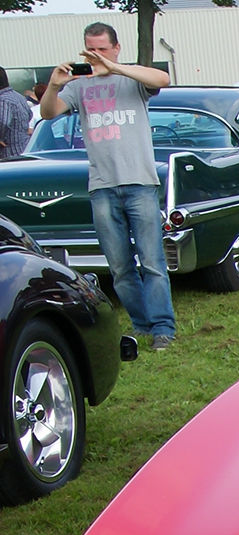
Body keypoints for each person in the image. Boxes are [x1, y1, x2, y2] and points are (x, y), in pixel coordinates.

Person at [40, 23, 176, 350]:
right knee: (119, 267)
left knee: (153, 261)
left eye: (101, 49)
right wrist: (54, 86)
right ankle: (143, 325)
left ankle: (163, 328)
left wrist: (114, 68)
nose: (95, 55)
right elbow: (48, 113)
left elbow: (162, 79)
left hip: (140, 182)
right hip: (101, 185)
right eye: (89, 49)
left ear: (116, 48)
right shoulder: (78, 87)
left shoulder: (131, 79)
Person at [0, 68, 30, 159]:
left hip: (10, 153)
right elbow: (30, 114)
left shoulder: (3, 99)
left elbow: (2, 122)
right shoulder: (18, 96)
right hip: (24, 148)